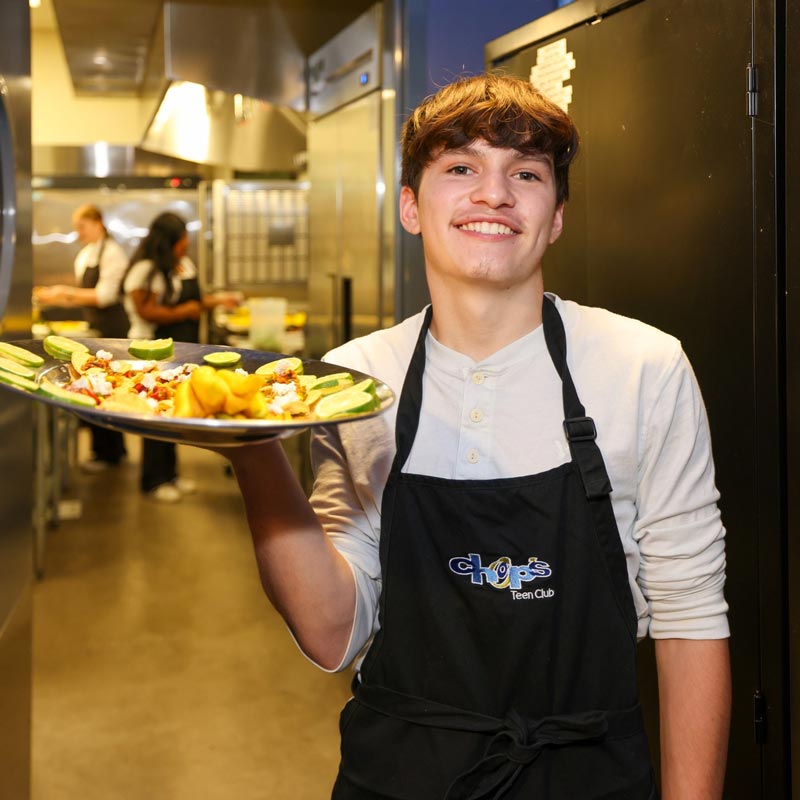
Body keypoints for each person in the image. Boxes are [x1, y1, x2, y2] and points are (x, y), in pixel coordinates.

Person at [225, 75, 731, 798]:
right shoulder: (355, 379)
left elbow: (691, 618)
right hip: (397, 775)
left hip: (588, 773)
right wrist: (252, 448)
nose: (493, 194)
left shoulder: (643, 366)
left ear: (555, 216)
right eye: (460, 168)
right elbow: (332, 634)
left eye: (525, 174)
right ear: (410, 206)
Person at [123, 211, 240, 503]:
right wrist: (183, 312)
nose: (187, 242)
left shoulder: (182, 264)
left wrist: (218, 301)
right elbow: (145, 311)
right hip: (152, 349)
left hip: (181, 350)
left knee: (174, 411)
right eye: (182, 237)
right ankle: (153, 479)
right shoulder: (145, 270)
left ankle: (171, 474)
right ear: (169, 241)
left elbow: (196, 302)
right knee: (155, 414)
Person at [33, 204, 129, 472]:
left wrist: (64, 292)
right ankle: (107, 450)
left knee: (107, 389)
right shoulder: (86, 254)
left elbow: (105, 296)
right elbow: (83, 295)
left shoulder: (113, 253)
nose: (78, 233)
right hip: (95, 329)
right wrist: (57, 296)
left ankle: (110, 453)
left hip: (113, 331)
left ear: (98, 223)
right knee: (94, 388)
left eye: (81, 227)